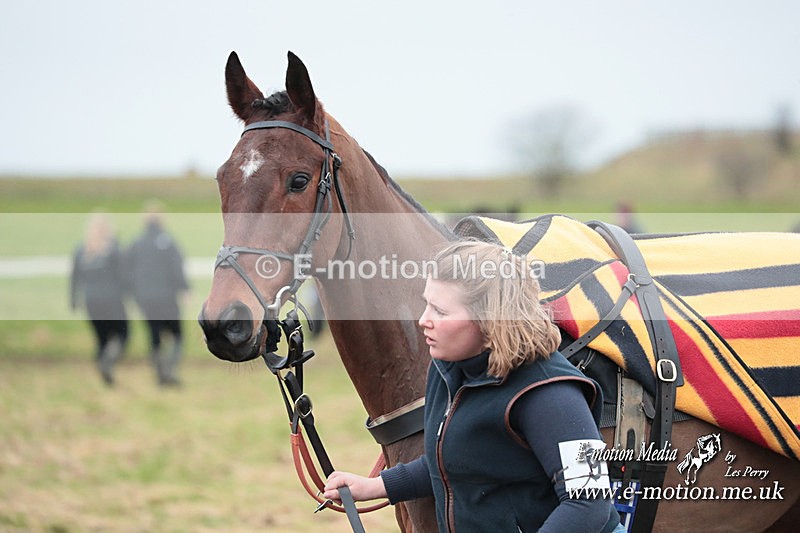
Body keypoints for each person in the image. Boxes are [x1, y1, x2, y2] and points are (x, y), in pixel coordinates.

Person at [323, 240, 624, 532]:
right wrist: (376, 486)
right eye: (426, 304)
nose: (423, 320)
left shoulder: (554, 395)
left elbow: (591, 504)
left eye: (440, 311)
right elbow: (457, 459)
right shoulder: (449, 370)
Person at [127, 203, 189, 387]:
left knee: (154, 336)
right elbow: (177, 267)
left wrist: (134, 294)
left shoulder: (136, 242)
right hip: (167, 298)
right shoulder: (168, 241)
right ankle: (169, 369)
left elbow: (127, 271)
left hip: (145, 299)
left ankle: (160, 374)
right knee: (177, 335)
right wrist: (185, 288)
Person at [70, 213, 129, 386]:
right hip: (112, 300)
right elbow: (124, 276)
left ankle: (103, 367)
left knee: (101, 338)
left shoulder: (81, 250)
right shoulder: (113, 249)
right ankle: (108, 361)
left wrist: (73, 300)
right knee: (122, 334)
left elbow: (75, 278)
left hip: (90, 301)